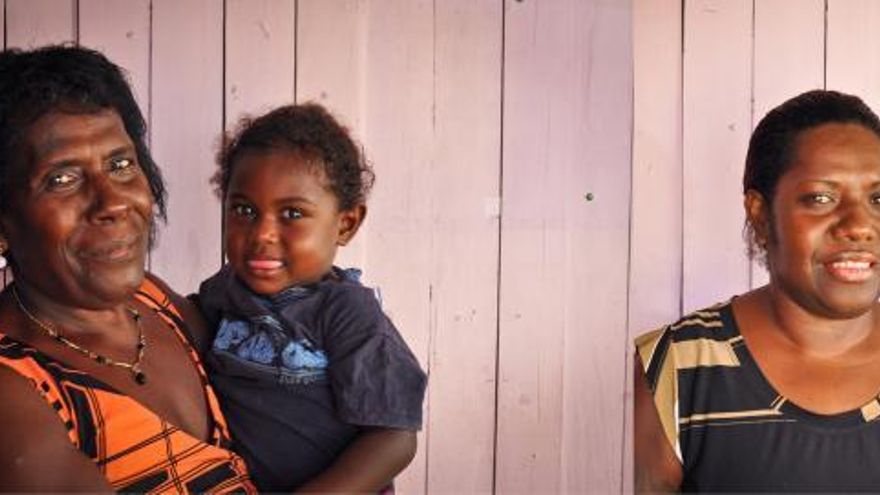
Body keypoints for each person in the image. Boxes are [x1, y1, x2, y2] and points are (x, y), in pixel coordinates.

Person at [0, 45, 255, 493]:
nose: (113, 202)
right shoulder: (14, 389)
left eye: (120, 164)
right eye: (63, 179)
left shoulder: (154, 302)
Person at [635, 89, 880, 492]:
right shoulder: (676, 368)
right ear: (760, 214)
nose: (859, 225)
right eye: (821, 198)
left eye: (877, 198)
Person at [196, 103, 427, 492]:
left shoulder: (346, 313)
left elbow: (394, 437)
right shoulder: (223, 292)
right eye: (244, 210)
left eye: (291, 214)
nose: (261, 234)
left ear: (345, 224)